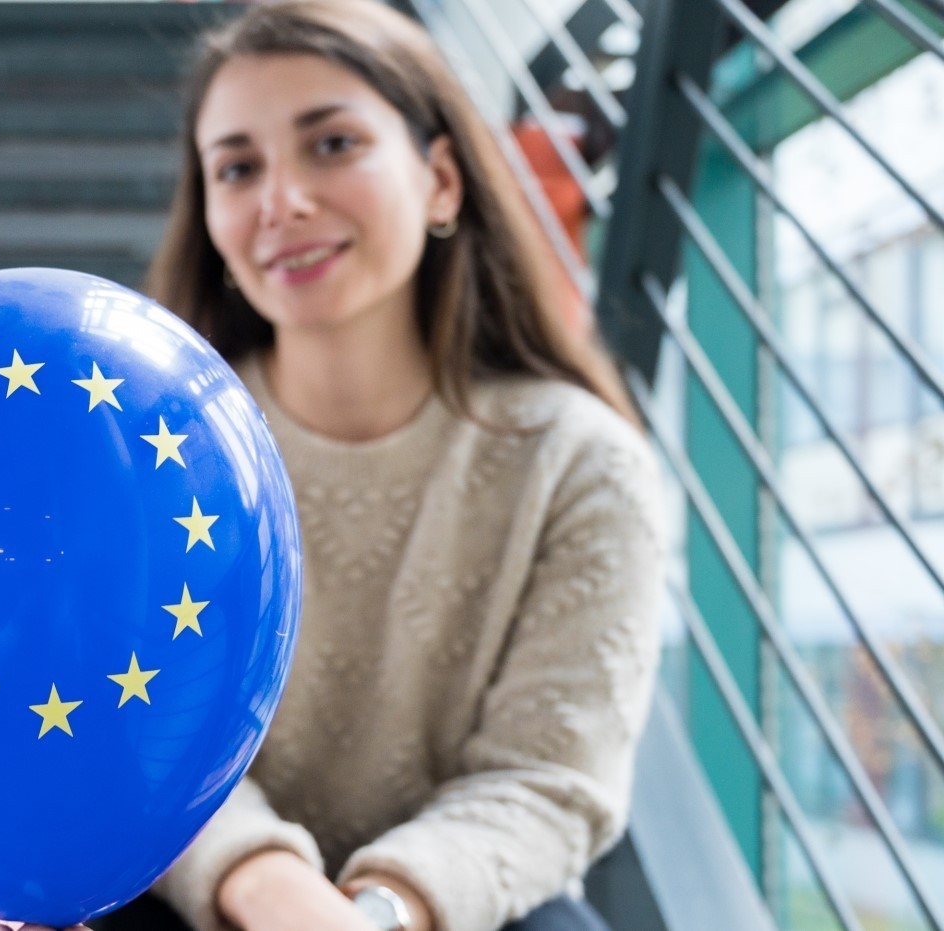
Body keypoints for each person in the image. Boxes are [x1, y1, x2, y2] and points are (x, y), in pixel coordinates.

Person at [140, 3, 664, 931]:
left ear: (443, 182)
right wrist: (269, 887)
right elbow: (132, 732)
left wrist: (378, 913)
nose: (281, 201)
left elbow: (547, 781)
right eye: (237, 167)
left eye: (332, 143)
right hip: (206, 896)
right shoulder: (149, 450)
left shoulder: (582, 464)